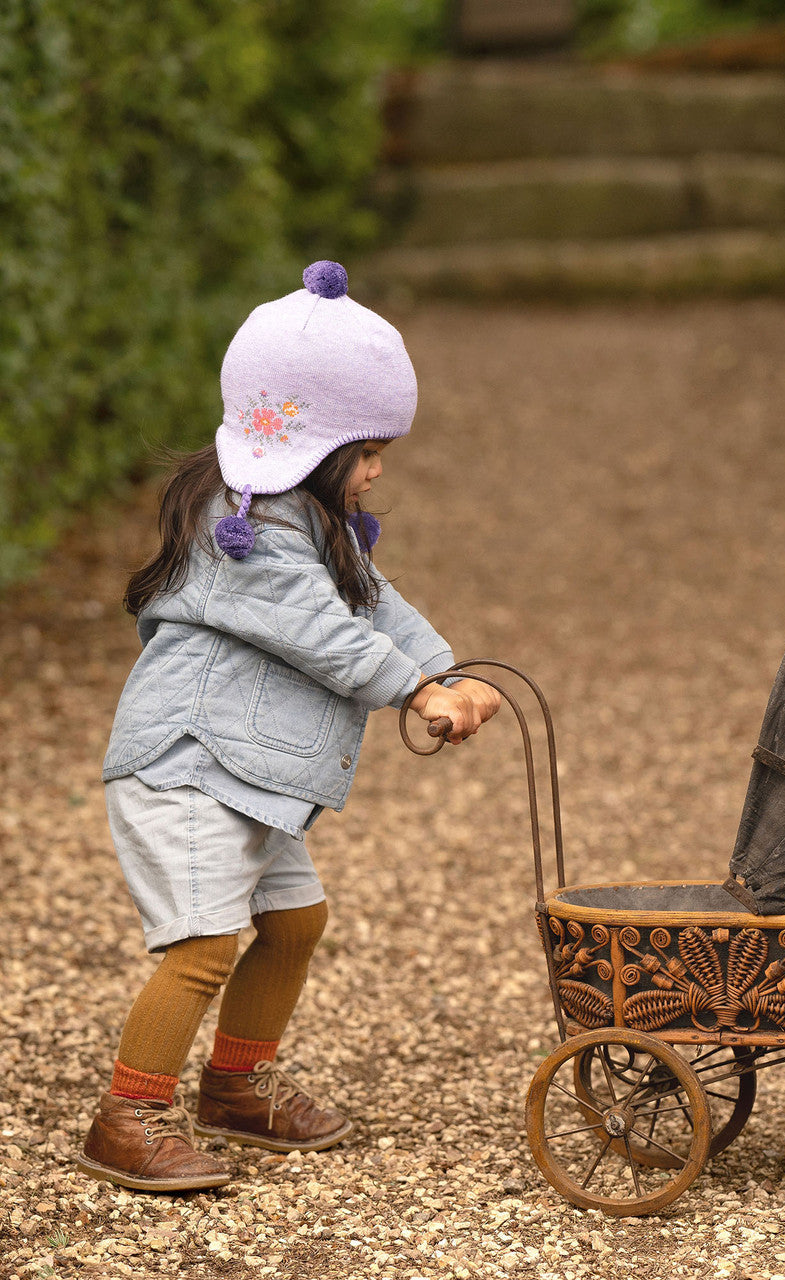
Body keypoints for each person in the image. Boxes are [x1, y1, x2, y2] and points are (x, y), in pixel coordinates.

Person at [77, 261, 500, 1192]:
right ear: (309, 446)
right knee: (201, 945)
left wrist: (449, 669)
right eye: (368, 448)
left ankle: (233, 1088)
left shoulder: (313, 522)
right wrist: (414, 694)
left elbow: (373, 605)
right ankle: (128, 1116)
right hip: (190, 764)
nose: (380, 468)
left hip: (254, 773)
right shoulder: (247, 534)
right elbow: (320, 630)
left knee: (296, 921)